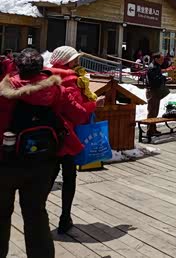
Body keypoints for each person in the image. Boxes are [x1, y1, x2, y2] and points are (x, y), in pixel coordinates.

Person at [0, 48, 74, 257]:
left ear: (17, 67)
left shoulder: (4, 90)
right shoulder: (55, 90)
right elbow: (75, 114)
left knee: (1, 214)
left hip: (5, 160)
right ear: (41, 67)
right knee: (36, 213)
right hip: (42, 162)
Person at [48, 46, 105, 234]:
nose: (77, 62)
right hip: (67, 136)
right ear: (68, 61)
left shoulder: (46, 77)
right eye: (74, 59)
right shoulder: (70, 81)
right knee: (68, 177)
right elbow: (77, 113)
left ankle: (37, 213)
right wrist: (94, 104)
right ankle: (65, 217)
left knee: (47, 176)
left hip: (47, 134)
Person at [146, 53, 167, 138]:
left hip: (156, 90)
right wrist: (164, 78)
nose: (163, 61)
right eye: (161, 59)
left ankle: (153, 128)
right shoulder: (152, 67)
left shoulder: (157, 66)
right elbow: (154, 80)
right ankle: (149, 130)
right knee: (152, 111)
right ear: (156, 59)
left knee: (155, 111)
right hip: (152, 90)